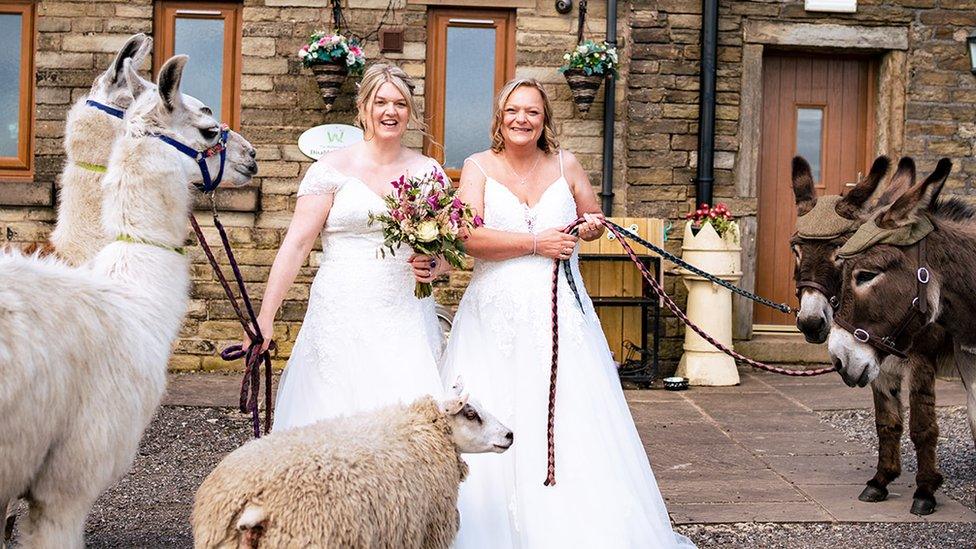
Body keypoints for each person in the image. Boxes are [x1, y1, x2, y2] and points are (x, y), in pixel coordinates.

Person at [441, 78, 695, 548]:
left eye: (532, 112)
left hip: (560, 313)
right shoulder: (476, 167)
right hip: (492, 316)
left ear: (545, 121)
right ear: (500, 117)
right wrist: (537, 243)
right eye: (513, 111)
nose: (522, 119)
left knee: (572, 414)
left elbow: (591, 221)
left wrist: (593, 226)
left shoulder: (567, 164)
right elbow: (466, 238)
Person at [246, 64, 449, 430]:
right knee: (331, 416)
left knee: (406, 420)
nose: (391, 111)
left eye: (400, 104)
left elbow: (450, 250)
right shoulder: (331, 168)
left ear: (410, 112)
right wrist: (265, 317)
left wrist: (435, 267)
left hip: (404, 311)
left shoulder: (428, 172)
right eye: (381, 102)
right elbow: (296, 245)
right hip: (340, 309)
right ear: (363, 107)